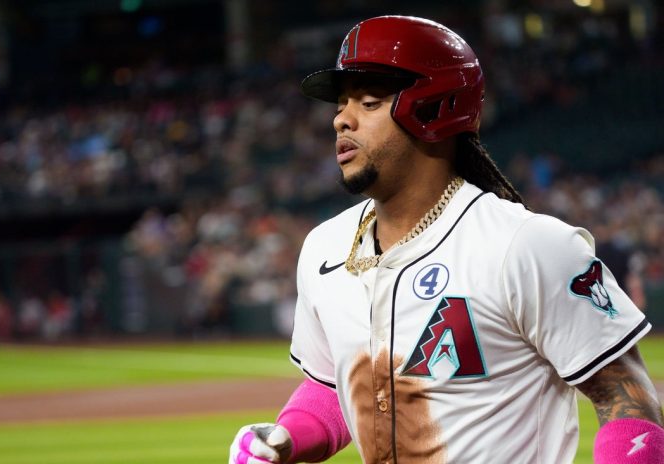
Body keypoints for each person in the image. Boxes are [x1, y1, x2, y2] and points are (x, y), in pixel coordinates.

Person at [228, 15, 664, 463]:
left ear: (434, 109)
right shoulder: (324, 247)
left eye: (369, 102)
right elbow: (333, 385)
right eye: (341, 104)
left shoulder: (526, 245)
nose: (342, 119)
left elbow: (627, 401)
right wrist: (284, 439)